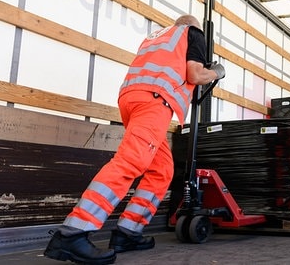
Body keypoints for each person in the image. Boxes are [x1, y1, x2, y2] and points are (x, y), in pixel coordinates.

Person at [43, 14, 225, 264]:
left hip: (131, 99)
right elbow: (194, 74)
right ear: (192, 26)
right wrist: (215, 72)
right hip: (154, 101)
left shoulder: (156, 39)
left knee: (161, 170)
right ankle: (73, 233)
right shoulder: (193, 34)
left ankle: (128, 232)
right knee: (132, 161)